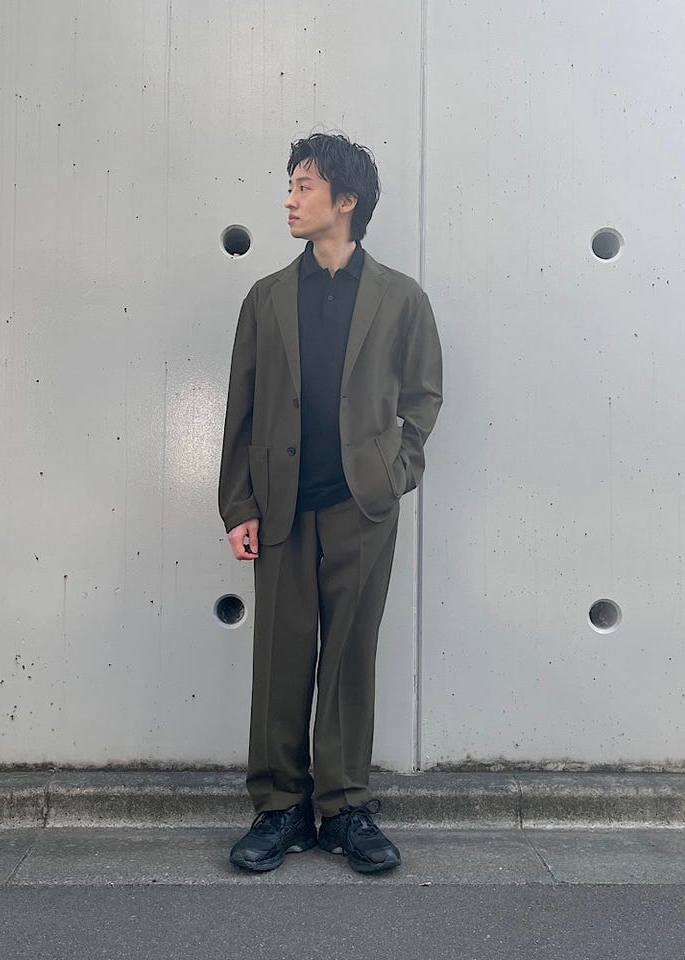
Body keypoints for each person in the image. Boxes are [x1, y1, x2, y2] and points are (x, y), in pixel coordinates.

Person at [218, 133, 442, 873]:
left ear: (346, 201)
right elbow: (242, 407)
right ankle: (280, 808)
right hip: (280, 502)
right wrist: (238, 505)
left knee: (349, 656)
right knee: (280, 656)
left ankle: (343, 809)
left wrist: (396, 471)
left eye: (303, 186)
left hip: (362, 506)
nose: (288, 199)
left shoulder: (401, 297)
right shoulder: (266, 298)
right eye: (289, 184)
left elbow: (423, 397)